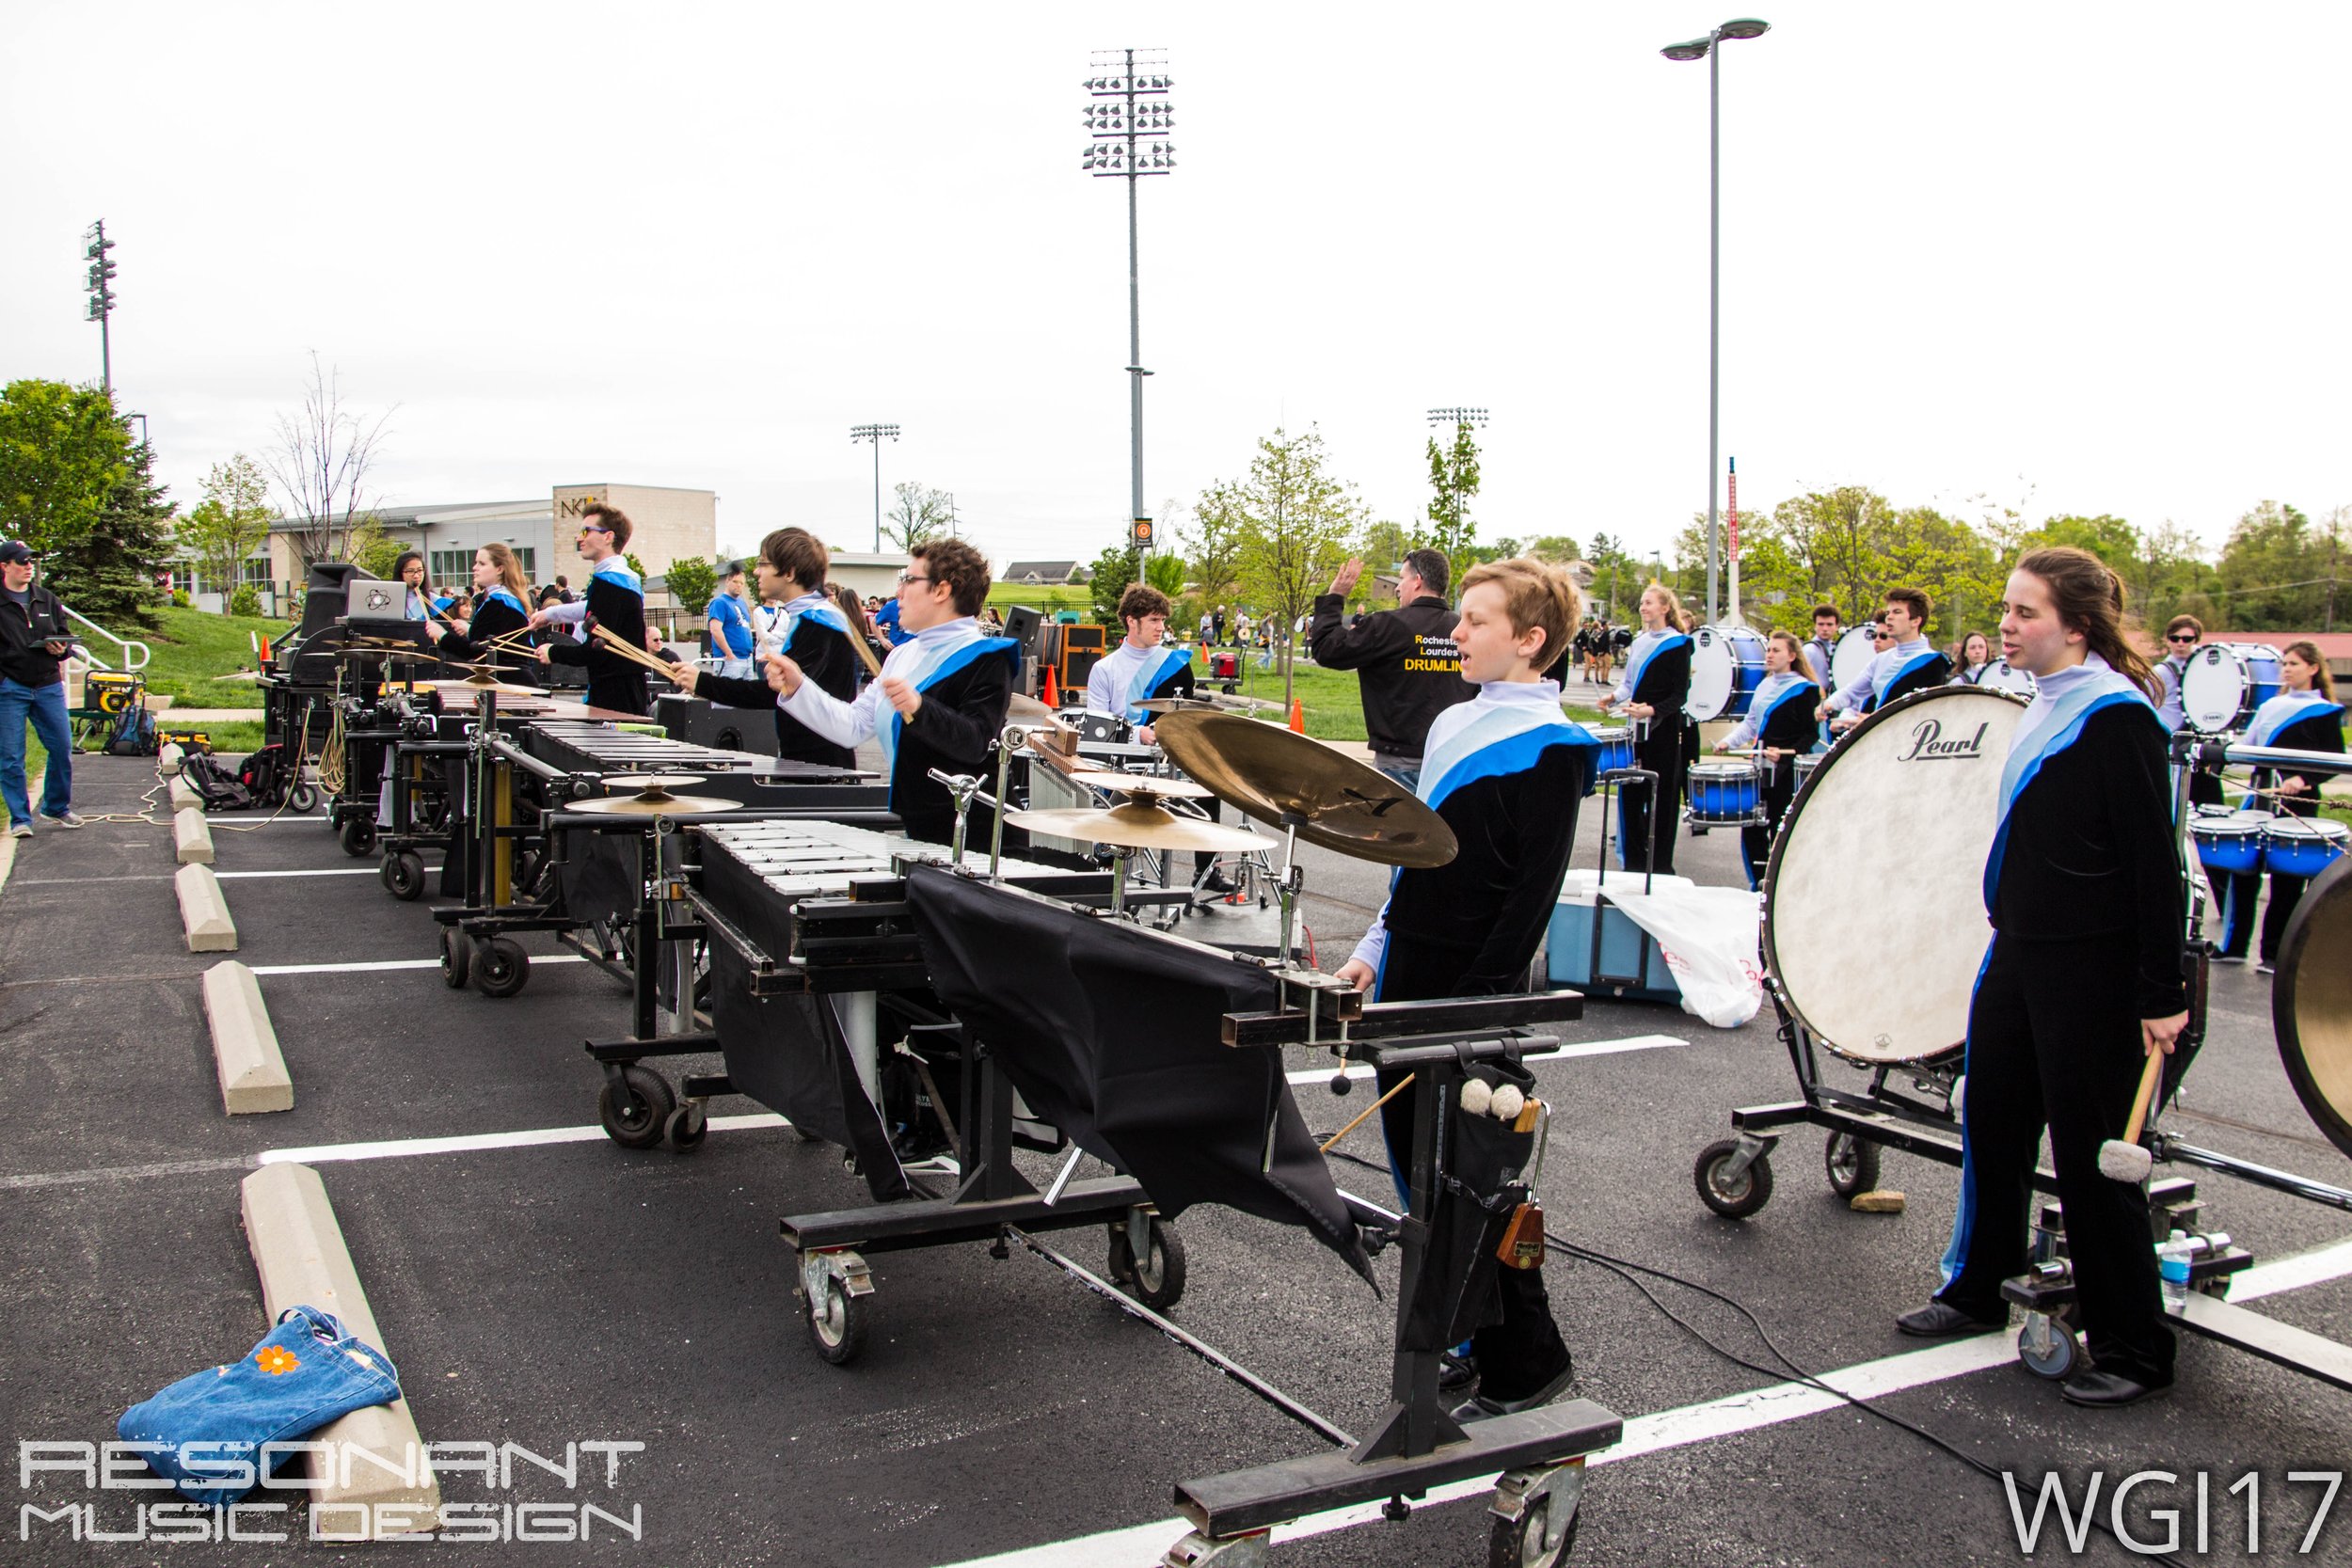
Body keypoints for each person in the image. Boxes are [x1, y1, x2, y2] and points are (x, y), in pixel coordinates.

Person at [1899, 546, 2186, 1411]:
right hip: (2020, 953)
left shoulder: (2117, 719)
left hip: (2091, 969)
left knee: (2093, 1156)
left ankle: (2134, 1344)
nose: (2008, 625)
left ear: (2077, 625)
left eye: (2025, 612)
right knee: (1992, 1120)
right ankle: (1979, 1284)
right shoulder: (2041, 702)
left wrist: (2160, 991)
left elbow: (2154, 867)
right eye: (2008, 609)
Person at [1334, 557, 1596, 1421]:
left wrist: (1482, 1008)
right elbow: (1417, 858)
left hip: (1471, 987)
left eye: (1477, 621)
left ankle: (1528, 1365)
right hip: (1411, 966)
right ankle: (1463, 1335)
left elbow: (1531, 898)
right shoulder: (1453, 720)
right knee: (1423, 1171)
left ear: (1530, 640)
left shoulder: (1556, 749)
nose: (1455, 631)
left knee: (1476, 1176)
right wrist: (1376, 945)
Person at [771, 539, 1017, 844]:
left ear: (941, 590)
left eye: (908, 580)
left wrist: (920, 708)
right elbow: (855, 725)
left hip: (976, 839)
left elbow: (976, 741)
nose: (899, 592)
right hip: (922, 832)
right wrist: (799, 687)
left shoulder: (987, 658)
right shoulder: (903, 654)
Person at [665, 529, 861, 768]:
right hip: (809, 760)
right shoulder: (807, 617)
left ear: (788, 572)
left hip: (822, 766)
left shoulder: (820, 622)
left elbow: (776, 692)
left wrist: (703, 683)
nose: (756, 572)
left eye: (763, 563)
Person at [2215, 641, 2343, 972]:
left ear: (2313, 668)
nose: (2286, 669)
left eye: (2294, 664)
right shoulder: (2272, 705)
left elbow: (2334, 761)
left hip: (2298, 804)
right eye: (2284, 663)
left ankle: (2274, 954)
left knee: (2287, 878)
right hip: (2259, 794)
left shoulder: (2327, 712)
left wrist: (2303, 778)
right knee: (2244, 871)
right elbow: (2248, 748)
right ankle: (2233, 947)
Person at [1309, 548, 1475, 792]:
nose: (1397, 587)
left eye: (1401, 579)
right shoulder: (1463, 629)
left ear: (1417, 581)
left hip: (1398, 766)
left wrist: (1335, 596)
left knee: (1397, 831)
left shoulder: (1387, 625)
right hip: (1453, 765)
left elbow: (1327, 649)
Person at [1596, 583, 1692, 873]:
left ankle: (1661, 865)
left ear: (1665, 608)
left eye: (1649, 602)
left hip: (1662, 730)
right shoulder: (1638, 642)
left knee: (1661, 797)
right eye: (1642, 602)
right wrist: (1613, 696)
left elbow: (1679, 694)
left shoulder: (1678, 644)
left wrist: (1652, 710)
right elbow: (1629, 685)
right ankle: (1634, 863)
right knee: (1631, 792)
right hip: (1635, 728)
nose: (1643, 607)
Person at [1717, 631, 1820, 889]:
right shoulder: (1764, 685)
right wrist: (1727, 741)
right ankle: (1757, 881)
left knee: (1779, 825)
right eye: (1769, 649)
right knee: (1751, 824)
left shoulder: (1805, 690)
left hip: (1785, 769)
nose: (1770, 655)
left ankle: (1780, 883)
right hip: (1760, 765)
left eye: (1776, 650)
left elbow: (1810, 735)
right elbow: (1751, 723)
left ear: (1792, 656)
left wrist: (1789, 753)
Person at [528, 502, 651, 715]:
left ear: (608, 537)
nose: (579, 538)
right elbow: (593, 608)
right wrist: (550, 614)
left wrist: (553, 652)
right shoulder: (622, 579)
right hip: (622, 687)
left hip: (616, 695)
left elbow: (595, 651)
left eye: (586, 531)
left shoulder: (612, 582)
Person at [0, 540, 82, 835]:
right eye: (21, 562)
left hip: (47, 684)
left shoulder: (46, 598)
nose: (28, 566)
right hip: (10, 687)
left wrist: (61, 649)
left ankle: (56, 807)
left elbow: (63, 636)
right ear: (4, 566)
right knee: (10, 757)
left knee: (62, 747)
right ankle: (20, 819)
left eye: (31, 561)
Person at [1821, 590, 1948, 732]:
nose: (1889, 618)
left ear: (1915, 621)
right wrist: (1826, 706)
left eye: (1897, 612)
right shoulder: (1882, 659)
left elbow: (1925, 714)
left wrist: (1872, 721)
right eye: (1888, 613)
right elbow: (1851, 693)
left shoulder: (1934, 663)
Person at [1086, 583, 1194, 742]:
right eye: (1154, 620)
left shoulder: (1177, 665)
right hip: (1118, 759)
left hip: (1166, 760)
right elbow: (1097, 729)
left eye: (1163, 620)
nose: (1161, 627)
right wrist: (1136, 735)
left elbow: (1187, 721)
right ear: (1132, 621)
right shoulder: (1104, 669)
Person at [434, 544, 538, 680]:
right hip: (509, 679)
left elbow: (477, 652)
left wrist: (442, 635)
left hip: (508, 682)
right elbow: (493, 641)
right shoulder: (506, 600)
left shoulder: (500, 603)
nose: (474, 568)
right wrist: (470, 630)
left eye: (482, 564)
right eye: (476, 563)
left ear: (500, 569)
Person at [706, 562, 757, 680]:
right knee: (728, 696)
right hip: (730, 659)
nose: (738, 585)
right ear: (727, 581)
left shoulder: (741, 602)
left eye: (741, 583)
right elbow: (715, 630)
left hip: (747, 658)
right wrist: (728, 653)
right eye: (735, 582)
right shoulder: (720, 603)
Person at [1802, 605, 1842, 696]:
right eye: (1821, 624)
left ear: (1836, 626)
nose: (1825, 629)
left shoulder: (1837, 649)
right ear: (1815, 626)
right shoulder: (1808, 650)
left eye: (1829, 624)